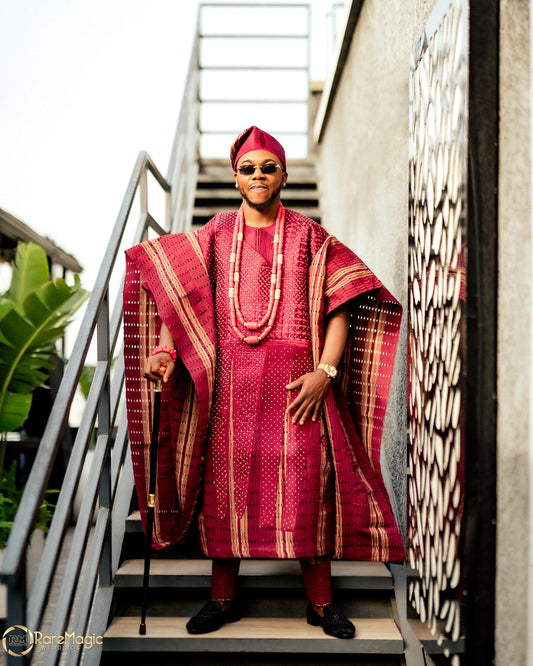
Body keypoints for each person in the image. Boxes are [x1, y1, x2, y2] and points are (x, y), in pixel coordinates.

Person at [123, 126, 404, 639]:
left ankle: (320, 606)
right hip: (228, 383)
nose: (258, 176)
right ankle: (222, 599)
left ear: (283, 175)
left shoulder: (310, 235)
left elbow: (340, 306)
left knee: (305, 488)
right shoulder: (213, 233)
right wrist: (165, 350)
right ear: (236, 178)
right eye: (249, 169)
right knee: (224, 490)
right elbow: (179, 298)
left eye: (267, 167)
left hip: (298, 387)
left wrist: (327, 371)